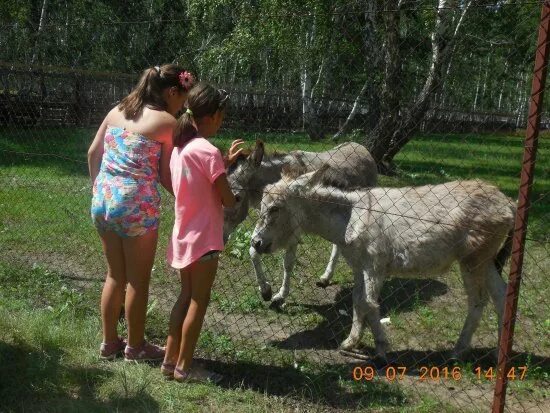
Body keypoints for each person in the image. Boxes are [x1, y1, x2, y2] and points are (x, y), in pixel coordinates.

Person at [87, 64, 195, 361]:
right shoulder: (167, 123)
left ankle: (109, 344)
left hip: (103, 201)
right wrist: (190, 199)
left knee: (114, 276)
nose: (183, 106)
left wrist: (100, 188)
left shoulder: (116, 111)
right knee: (137, 280)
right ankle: (135, 347)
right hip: (136, 206)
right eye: (183, 99)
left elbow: (92, 153)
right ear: (173, 92)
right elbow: (165, 175)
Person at [161, 82, 244, 383]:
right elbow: (225, 198)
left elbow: (198, 178)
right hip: (206, 240)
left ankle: (170, 362)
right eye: (222, 116)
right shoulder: (208, 151)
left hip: (183, 236)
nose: (222, 122)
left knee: (185, 296)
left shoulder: (180, 149)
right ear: (211, 116)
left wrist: (226, 163)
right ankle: (185, 368)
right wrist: (236, 198)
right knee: (200, 300)